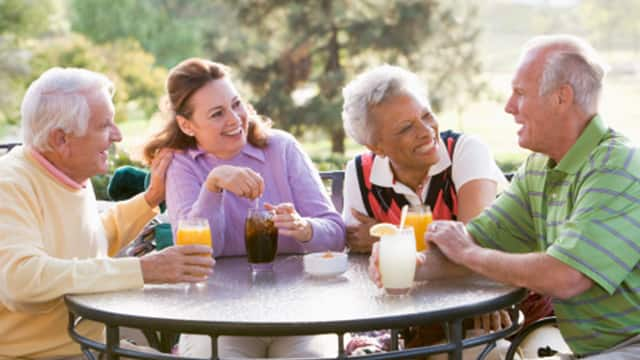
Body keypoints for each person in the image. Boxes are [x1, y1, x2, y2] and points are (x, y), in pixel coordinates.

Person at [374, 35, 640, 359]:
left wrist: (469, 254)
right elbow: (478, 240)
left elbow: (567, 276)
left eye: (520, 93)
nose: (508, 107)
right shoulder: (540, 168)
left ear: (561, 98)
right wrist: (408, 264)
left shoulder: (619, 165)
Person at [0, 68, 215, 359]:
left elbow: (89, 240)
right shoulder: (9, 185)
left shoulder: (69, 173)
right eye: (104, 126)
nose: (117, 135)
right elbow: (21, 281)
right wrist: (145, 270)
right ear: (61, 139)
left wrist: (150, 198)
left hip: (96, 347)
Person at [143, 58, 346, 358]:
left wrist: (305, 228)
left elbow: (337, 232)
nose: (234, 119)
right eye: (217, 113)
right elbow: (197, 254)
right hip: (216, 316)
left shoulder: (282, 148)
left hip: (299, 312)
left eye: (236, 104)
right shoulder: (182, 165)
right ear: (187, 125)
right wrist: (213, 186)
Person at [341, 64, 533, 357]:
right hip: (415, 317)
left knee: (486, 352)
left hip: (497, 301)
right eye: (406, 128)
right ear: (376, 146)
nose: (426, 131)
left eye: (427, 115)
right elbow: (358, 254)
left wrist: (391, 241)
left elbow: (475, 243)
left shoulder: (466, 152)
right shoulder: (360, 173)